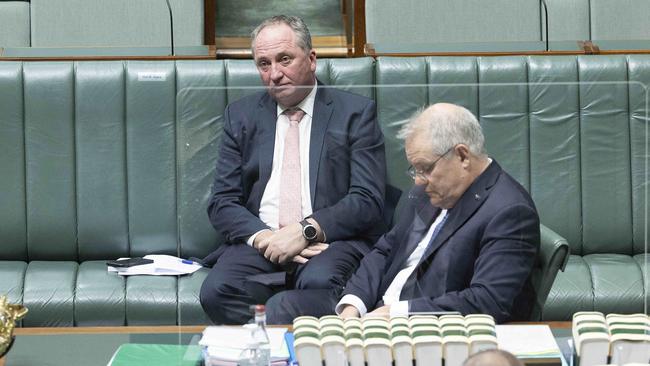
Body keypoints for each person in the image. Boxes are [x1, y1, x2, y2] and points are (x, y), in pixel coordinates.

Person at [199, 15, 389, 324]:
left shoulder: (354, 113)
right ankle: (271, 343)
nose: (274, 74)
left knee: (320, 285)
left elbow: (367, 200)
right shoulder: (241, 116)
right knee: (217, 291)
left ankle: (285, 333)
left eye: (284, 59)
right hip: (263, 242)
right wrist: (266, 238)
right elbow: (222, 202)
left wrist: (305, 231)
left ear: (311, 59)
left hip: (328, 242)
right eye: (263, 64)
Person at [334, 103, 539, 323]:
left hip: (429, 335)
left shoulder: (509, 212)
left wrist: (396, 313)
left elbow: (487, 302)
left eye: (425, 168)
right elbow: (386, 250)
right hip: (374, 314)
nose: (418, 180)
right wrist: (353, 304)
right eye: (416, 169)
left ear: (462, 156)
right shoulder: (430, 192)